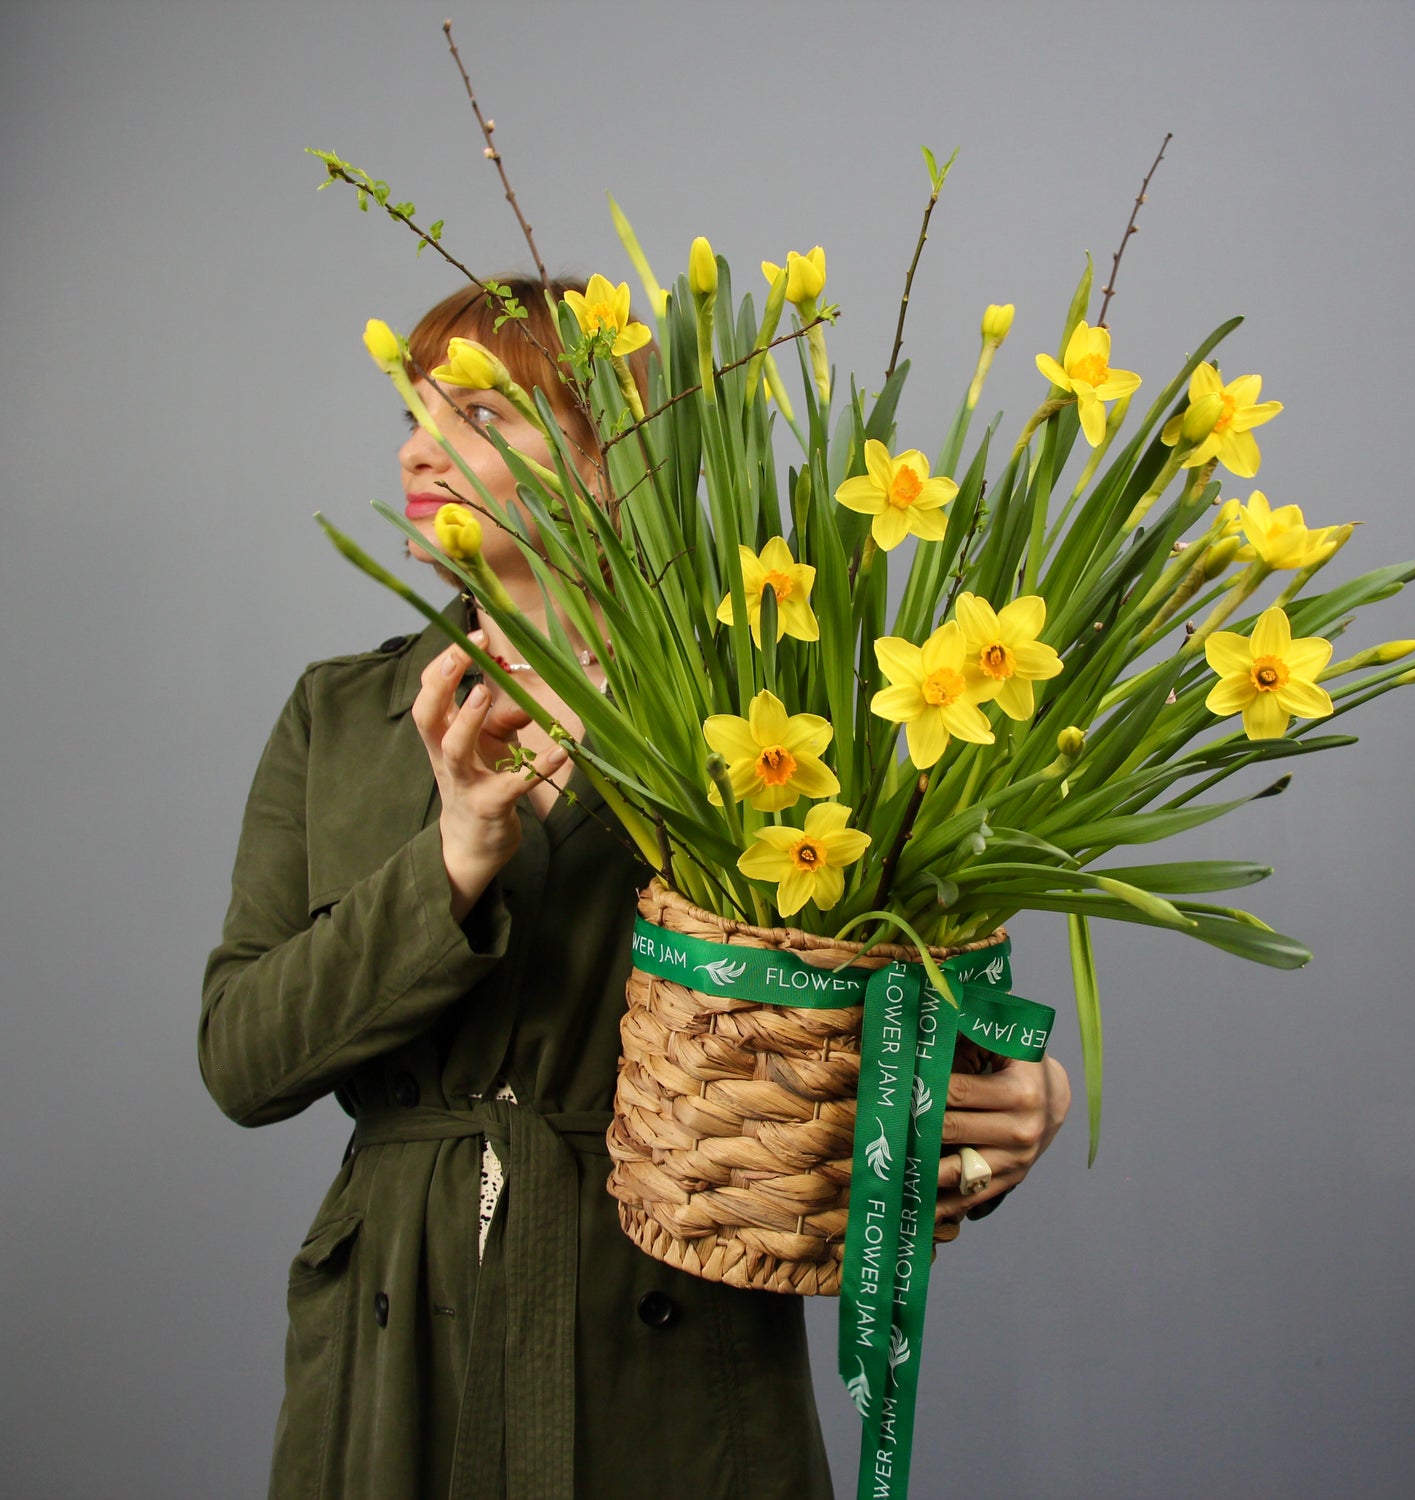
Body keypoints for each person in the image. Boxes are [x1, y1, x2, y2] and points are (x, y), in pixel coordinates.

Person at [200, 277, 1072, 1500]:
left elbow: (879, 976)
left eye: (481, 416)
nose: (415, 447)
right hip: (395, 1365)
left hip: (674, 1344)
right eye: (412, 410)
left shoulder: (767, 708)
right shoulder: (342, 715)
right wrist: (451, 860)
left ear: (613, 456)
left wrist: (1005, 1084)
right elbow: (242, 1059)